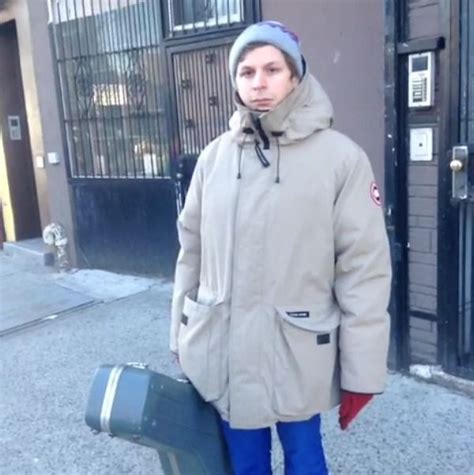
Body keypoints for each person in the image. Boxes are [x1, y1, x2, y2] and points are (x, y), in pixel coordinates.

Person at [170, 21, 392, 475]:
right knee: (242, 464)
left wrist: (362, 371)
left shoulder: (340, 159)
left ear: (296, 75)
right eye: (246, 72)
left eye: (272, 68)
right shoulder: (213, 159)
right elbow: (189, 251)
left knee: (304, 457)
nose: (259, 83)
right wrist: (181, 330)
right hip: (224, 349)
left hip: (297, 351)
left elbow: (363, 268)